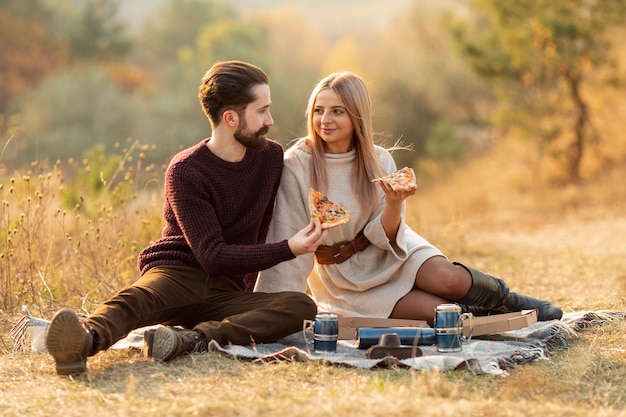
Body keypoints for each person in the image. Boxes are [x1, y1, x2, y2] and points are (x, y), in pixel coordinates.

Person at [45, 60, 329, 376]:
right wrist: (289, 248)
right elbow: (213, 256)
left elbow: (315, 163)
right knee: (133, 301)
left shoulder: (271, 157)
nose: (270, 120)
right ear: (231, 118)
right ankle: (82, 342)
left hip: (228, 292)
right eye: (261, 111)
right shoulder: (186, 170)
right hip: (177, 273)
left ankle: (191, 340)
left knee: (300, 307)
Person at [254, 71, 563, 325]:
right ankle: (491, 317)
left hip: (392, 250)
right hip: (346, 279)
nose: (325, 120)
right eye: (319, 110)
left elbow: (387, 234)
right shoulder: (298, 163)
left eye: (337, 111)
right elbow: (288, 232)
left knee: (450, 281)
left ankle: (509, 301)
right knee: (440, 314)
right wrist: (274, 309)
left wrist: (395, 203)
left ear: (356, 116)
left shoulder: (379, 159)